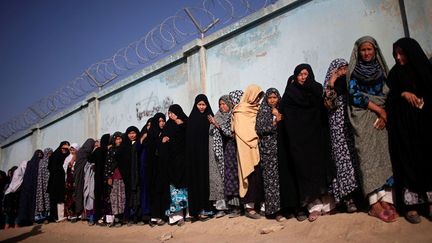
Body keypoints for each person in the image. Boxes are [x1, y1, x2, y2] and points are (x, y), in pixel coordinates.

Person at [347, 36, 396, 222]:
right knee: (367, 158)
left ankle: (387, 200)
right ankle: (374, 203)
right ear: (357, 52)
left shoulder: (382, 70)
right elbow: (354, 96)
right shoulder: (354, 73)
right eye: (363, 50)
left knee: (384, 156)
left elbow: (387, 93)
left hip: (382, 118)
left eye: (369, 49)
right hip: (363, 118)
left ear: (375, 50)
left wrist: (384, 114)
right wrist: (379, 110)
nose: (366, 53)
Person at [387, 37, 432, 223]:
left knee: (428, 159)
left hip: (425, 125)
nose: (398, 58)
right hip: (403, 129)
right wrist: (402, 94)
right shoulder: (394, 74)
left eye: (402, 53)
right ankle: (411, 205)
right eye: (395, 54)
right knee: (407, 161)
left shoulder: (425, 70)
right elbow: (388, 100)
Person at [281, 64, 334, 222]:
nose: (303, 77)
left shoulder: (316, 89)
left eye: (306, 73)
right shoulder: (290, 94)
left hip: (317, 138)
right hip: (299, 141)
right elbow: (286, 115)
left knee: (320, 168)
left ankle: (327, 205)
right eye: (300, 74)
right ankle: (313, 207)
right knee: (305, 171)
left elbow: (324, 107)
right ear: (295, 76)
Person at [323, 58, 360, 212]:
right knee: (342, 163)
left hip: (353, 126)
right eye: (340, 68)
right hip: (338, 131)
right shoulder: (330, 87)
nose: (343, 70)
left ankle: (360, 196)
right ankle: (348, 199)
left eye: (346, 67)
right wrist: (332, 80)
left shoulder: (352, 82)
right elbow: (329, 104)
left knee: (356, 161)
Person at [232, 84, 265, 219]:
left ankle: (259, 205)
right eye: (256, 96)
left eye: (259, 97)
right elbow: (239, 130)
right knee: (248, 175)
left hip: (257, 147)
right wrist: (255, 137)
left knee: (258, 175)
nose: (258, 100)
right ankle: (249, 207)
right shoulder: (240, 110)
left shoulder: (258, 110)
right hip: (245, 148)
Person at [255, 88, 285, 221]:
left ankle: (286, 208)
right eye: (270, 98)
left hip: (281, 150)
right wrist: (275, 121)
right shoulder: (263, 111)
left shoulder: (282, 109)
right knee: (271, 182)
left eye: (275, 97)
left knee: (283, 179)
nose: (272, 100)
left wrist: (279, 115)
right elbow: (260, 128)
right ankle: (275, 211)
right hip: (268, 151)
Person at [186, 94, 214, 221]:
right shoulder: (191, 120)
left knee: (208, 182)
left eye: (204, 105)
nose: (202, 107)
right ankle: (198, 211)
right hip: (195, 159)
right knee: (198, 182)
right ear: (195, 105)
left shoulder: (210, 117)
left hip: (208, 156)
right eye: (199, 105)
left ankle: (209, 209)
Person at [161, 105, 189, 226]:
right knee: (175, 190)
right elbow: (163, 141)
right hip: (172, 164)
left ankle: (188, 214)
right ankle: (177, 217)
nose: (170, 115)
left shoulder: (185, 122)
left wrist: (182, 125)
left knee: (186, 189)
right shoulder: (168, 126)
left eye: (173, 113)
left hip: (184, 162)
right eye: (169, 113)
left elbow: (188, 138)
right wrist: (164, 139)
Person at [207, 95, 233, 218]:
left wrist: (216, 124)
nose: (222, 106)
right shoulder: (216, 116)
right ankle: (220, 207)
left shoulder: (232, 116)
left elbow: (229, 133)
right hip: (216, 155)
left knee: (228, 179)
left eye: (224, 104)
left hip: (228, 152)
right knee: (217, 179)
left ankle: (231, 206)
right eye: (220, 104)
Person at [220, 90, 243, 217]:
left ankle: (239, 207)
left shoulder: (236, 114)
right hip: (230, 150)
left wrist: (220, 126)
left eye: (226, 103)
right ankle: (235, 206)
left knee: (236, 176)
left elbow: (231, 132)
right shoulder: (230, 115)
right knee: (231, 176)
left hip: (237, 149)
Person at [145, 113, 168, 226]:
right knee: (156, 191)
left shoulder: (163, 133)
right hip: (154, 170)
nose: (162, 123)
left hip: (162, 168)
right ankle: (155, 216)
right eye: (159, 121)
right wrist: (161, 141)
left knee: (162, 191)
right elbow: (152, 151)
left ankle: (162, 215)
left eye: (163, 120)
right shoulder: (151, 135)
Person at [117, 126, 141, 225]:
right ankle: (128, 217)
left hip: (138, 175)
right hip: (127, 176)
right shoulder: (123, 146)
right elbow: (120, 161)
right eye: (130, 133)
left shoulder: (139, 143)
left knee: (138, 195)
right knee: (128, 196)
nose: (132, 135)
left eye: (134, 133)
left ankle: (138, 217)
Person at [88, 134, 111, 225]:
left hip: (99, 177)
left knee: (100, 197)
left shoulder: (99, 150)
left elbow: (90, 158)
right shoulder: (105, 150)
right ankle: (101, 217)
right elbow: (90, 159)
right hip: (104, 177)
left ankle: (99, 217)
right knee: (103, 197)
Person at [17, 149, 44, 226]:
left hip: (37, 186)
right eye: (38, 155)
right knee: (26, 203)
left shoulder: (41, 163)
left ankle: (33, 219)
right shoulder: (28, 163)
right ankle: (24, 220)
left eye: (41, 155)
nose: (39, 157)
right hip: (27, 186)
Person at [105, 132, 126, 227]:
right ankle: (116, 217)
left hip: (123, 177)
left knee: (122, 197)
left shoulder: (125, 149)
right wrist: (109, 177)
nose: (119, 141)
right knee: (114, 198)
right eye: (117, 139)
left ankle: (121, 218)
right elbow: (108, 165)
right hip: (114, 177)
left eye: (120, 138)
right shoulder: (110, 151)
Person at [47, 141, 70, 222]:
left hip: (59, 179)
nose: (65, 150)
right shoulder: (56, 155)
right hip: (55, 179)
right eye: (63, 148)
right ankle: (55, 216)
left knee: (60, 197)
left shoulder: (65, 155)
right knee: (54, 198)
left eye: (66, 149)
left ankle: (59, 216)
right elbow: (51, 167)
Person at [3, 163, 24, 229]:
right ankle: (8, 224)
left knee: (16, 211)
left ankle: (14, 224)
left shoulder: (20, 181)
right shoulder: (8, 182)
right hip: (10, 198)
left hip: (16, 197)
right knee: (9, 212)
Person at [35, 148, 53, 223]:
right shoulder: (44, 162)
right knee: (44, 200)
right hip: (43, 185)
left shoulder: (41, 162)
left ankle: (45, 217)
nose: (51, 154)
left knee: (46, 200)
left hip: (45, 185)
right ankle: (43, 217)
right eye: (49, 153)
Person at [64, 143, 80, 222]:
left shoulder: (80, 157)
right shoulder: (67, 158)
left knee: (77, 196)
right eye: (71, 149)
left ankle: (78, 213)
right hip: (70, 180)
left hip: (78, 179)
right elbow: (65, 169)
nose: (72, 151)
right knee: (70, 198)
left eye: (73, 149)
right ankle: (71, 215)